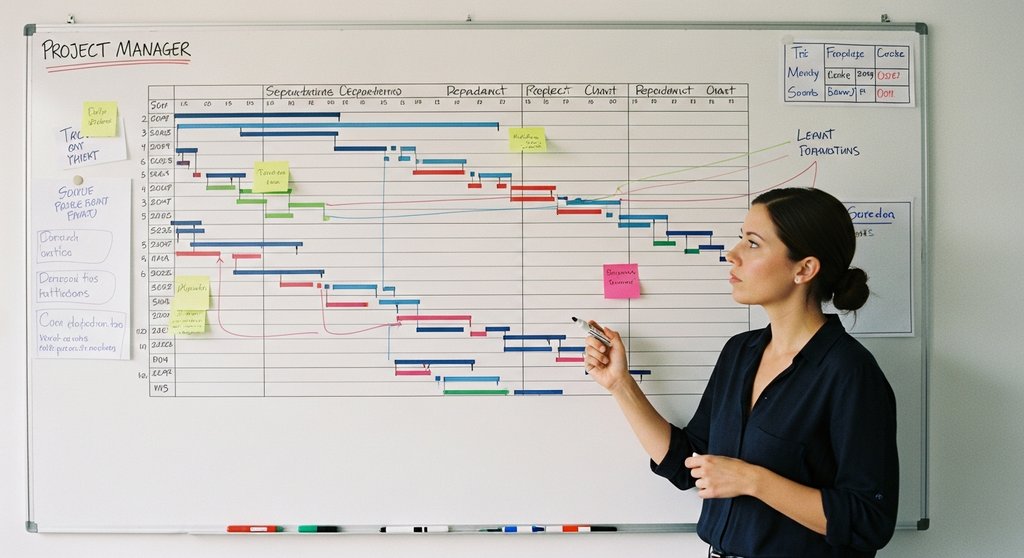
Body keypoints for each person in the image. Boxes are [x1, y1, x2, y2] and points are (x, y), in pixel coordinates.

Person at [584, 187, 898, 558]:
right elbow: (691, 464)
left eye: (752, 244)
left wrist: (754, 480)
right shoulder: (740, 352)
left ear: (804, 269)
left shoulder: (851, 373)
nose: (731, 255)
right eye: (740, 240)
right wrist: (621, 385)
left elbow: (868, 521)